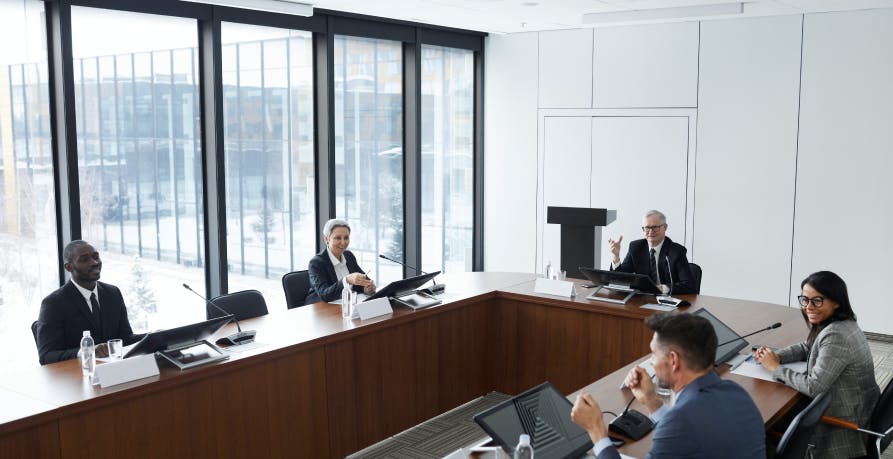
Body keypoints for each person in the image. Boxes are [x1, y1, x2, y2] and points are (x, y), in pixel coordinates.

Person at [571, 312, 766, 459]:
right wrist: (651, 401)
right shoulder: (737, 393)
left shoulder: (681, 421)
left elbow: (682, 427)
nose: (652, 361)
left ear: (673, 360)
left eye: (654, 353)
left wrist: (596, 430)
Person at [755, 271, 879, 458]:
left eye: (817, 301)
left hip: (843, 425)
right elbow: (808, 347)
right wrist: (776, 356)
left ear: (836, 302)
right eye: (804, 300)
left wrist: (775, 368)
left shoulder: (837, 336)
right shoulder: (840, 322)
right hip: (853, 407)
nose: (808, 307)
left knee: (761, 420)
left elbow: (814, 387)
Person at [35, 240, 143, 365]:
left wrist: (154, 336)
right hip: (78, 373)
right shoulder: (53, 303)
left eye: (96, 257)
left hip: (114, 369)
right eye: (84, 259)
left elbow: (126, 338)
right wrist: (85, 352)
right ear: (69, 267)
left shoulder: (113, 293)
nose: (94, 262)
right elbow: (46, 356)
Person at [609, 210, 697, 294]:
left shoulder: (676, 251)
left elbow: (689, 285)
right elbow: (620, 279)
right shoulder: (636, 247)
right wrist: (616, 256)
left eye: (655, 227)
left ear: (665, 227)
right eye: (647, 228)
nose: (651, 232)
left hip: (668, 299)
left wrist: (662, 288)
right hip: (642, 299)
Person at [305, 219, 376, 304]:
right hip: (321, 307)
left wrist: (366, 288)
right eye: (338, 238)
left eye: (346, 238)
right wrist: (346, 280)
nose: (343, 243)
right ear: (326, 239)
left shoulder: (349, 256)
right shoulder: (316, 263)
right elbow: (324, 294)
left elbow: (361, 281)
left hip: (347, 305)